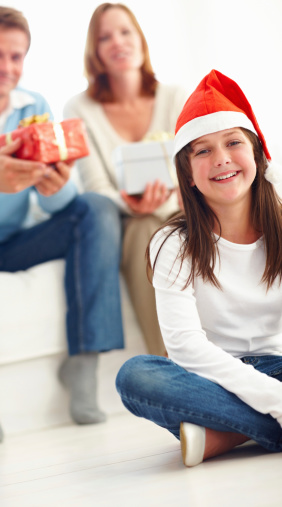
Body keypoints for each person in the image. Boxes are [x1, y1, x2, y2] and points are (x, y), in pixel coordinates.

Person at [0, 6, 124, 446]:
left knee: (96, 207)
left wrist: (54, 187)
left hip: (18, 241)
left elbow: (63, 198)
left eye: (16, 56)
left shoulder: (35, 106)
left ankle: (82, 362)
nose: (7, 67)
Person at [115, 69, 282, 467]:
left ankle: (225, 433)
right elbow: (186, 349)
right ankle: (249, 425)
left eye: (233, 142)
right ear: (188, 173)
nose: (221, 158)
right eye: (202, 150)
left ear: (257, 155)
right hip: (211, 376)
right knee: (137, 376)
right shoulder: (172, 244)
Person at [64, 3, 187, 356]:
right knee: (146, 229)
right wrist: (133, 203)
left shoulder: (175, 96)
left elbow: (196, 166)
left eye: (125, 32)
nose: (117, 42)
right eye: (105, 37)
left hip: (185, 210)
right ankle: (170, 368)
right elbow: (96, 189)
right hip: (131, 219)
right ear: (95, 51)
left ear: (141, 40)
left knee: (170, 225)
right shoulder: (79, 109)